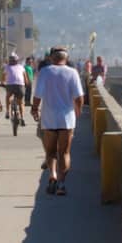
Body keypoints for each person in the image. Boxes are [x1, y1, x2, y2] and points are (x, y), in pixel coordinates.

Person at [31, 47, 84, 196]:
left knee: (51, 152)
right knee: (65, 153)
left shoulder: (45, 72)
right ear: (66, 59)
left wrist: (34, 108)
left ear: (52, 58)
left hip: (49, 119)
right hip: (67, 119)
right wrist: (78, 112)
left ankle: (52, 175)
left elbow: (38, 95)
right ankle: (61, 184)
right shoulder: (72, 73)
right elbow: (79, 98)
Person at [3, 53, 30, 125]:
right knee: (21, 102)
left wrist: (3, 83)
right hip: (20, 86)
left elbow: (3, 77)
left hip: (10, 85)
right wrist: (26, 84)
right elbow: (25, 78)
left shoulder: (7, 67)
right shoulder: (21, 67)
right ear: (17, 61)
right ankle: (22, 117)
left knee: (8, 96)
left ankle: (7, 112)